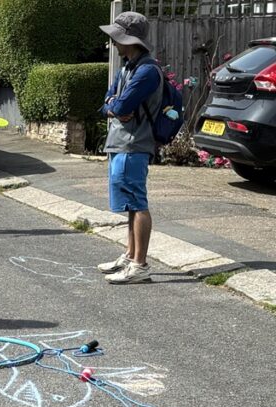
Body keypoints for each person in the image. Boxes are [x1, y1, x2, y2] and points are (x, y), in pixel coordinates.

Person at [97, 11, 162, 285]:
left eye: (117, 38)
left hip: (134, 144)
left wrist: (115, 105)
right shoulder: (127, 67)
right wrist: (114, 105)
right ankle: (130, 255)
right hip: (121, 143)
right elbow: (107, 104)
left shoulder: (147, 71)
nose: (113, 42)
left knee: (137, 202)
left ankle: (140, 264)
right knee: (130, 205)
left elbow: (120, 105)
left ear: (129, 40)